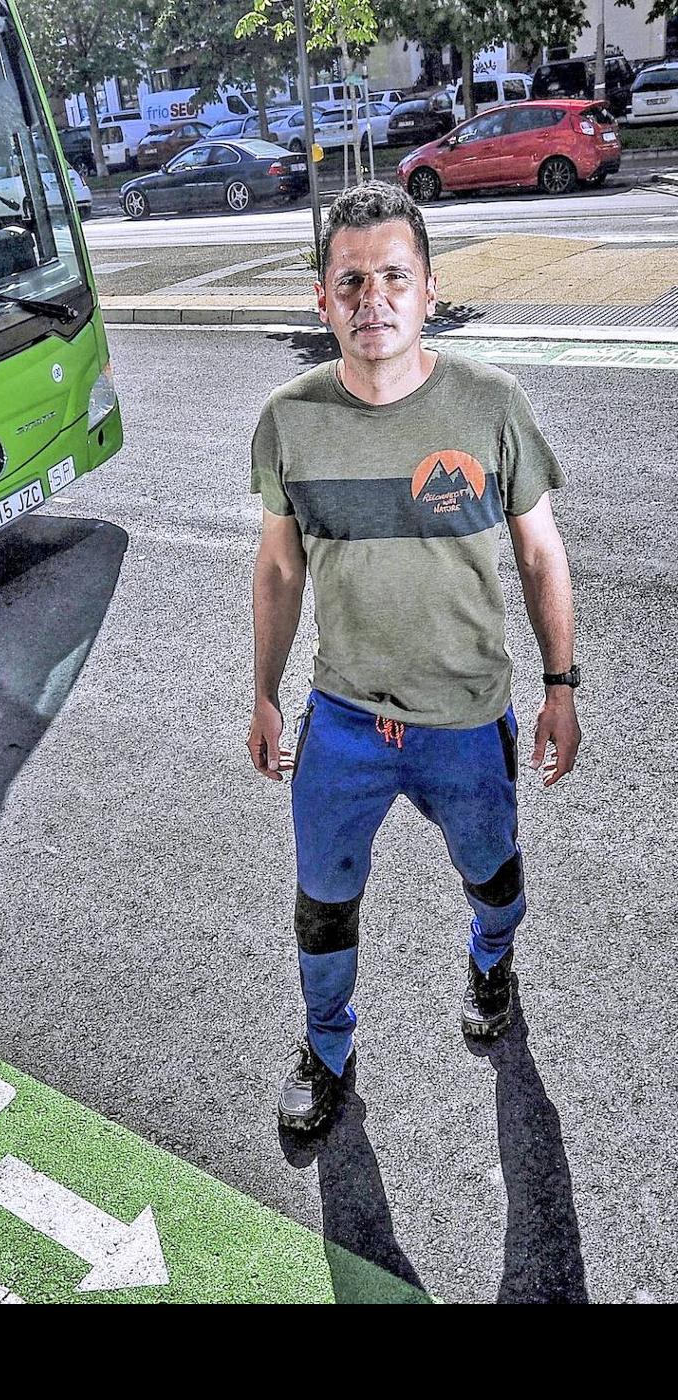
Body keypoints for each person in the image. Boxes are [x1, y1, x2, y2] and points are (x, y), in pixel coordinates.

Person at [247, 182, 581, 1134]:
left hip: (467, 722)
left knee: (496, 880)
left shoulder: (492, 407)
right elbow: (278, 568)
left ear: (428, 290)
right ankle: (326, 1045)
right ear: (321, 300)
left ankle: (491, 963)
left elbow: (539, 552)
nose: (372, 299)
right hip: (345, 722)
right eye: (349, 280)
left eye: (394, 275)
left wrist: (560, 688)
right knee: (322, 908)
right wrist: (265, 695)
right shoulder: (288, 420)